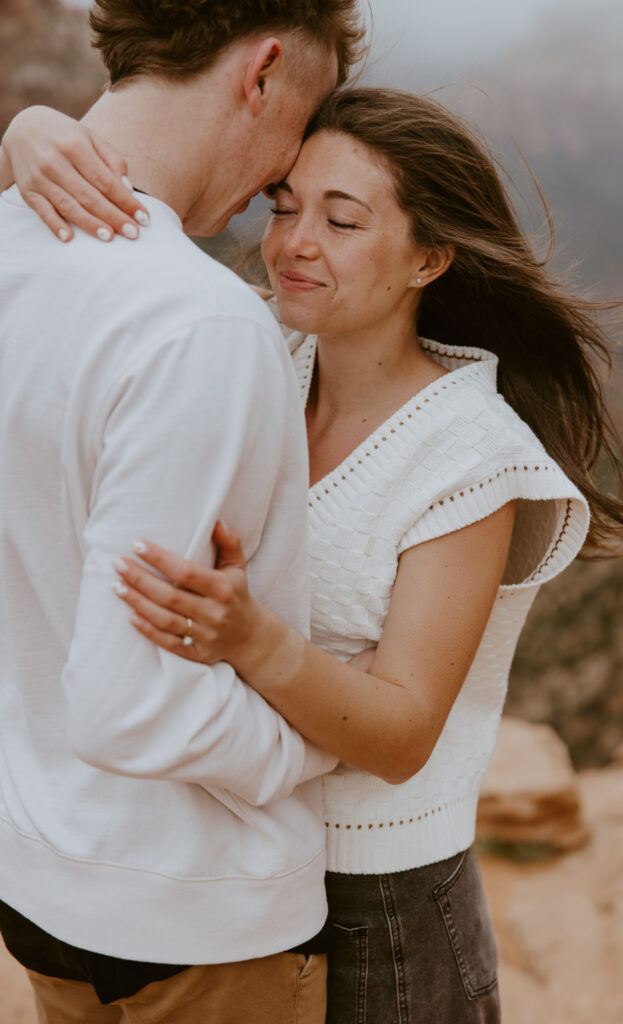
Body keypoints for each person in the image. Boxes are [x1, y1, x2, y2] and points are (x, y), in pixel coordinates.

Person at [2, 87, 623, 1023]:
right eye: (284, 205)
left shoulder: (471, 457)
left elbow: (400, 733)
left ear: (429, 257)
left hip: (382, 904)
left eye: (342, 221)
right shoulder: (253, 345)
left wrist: (254, 641)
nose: (294, 241)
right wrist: (32, 132)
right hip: (231, 875)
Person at [0, 2, 366, 1023]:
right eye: (304, 112)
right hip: (195, 919)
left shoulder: (6, 246)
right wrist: (311, 749)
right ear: (260, 74)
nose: (276, 191)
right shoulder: (197, 323)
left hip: (37, 883)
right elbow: (128, 703)